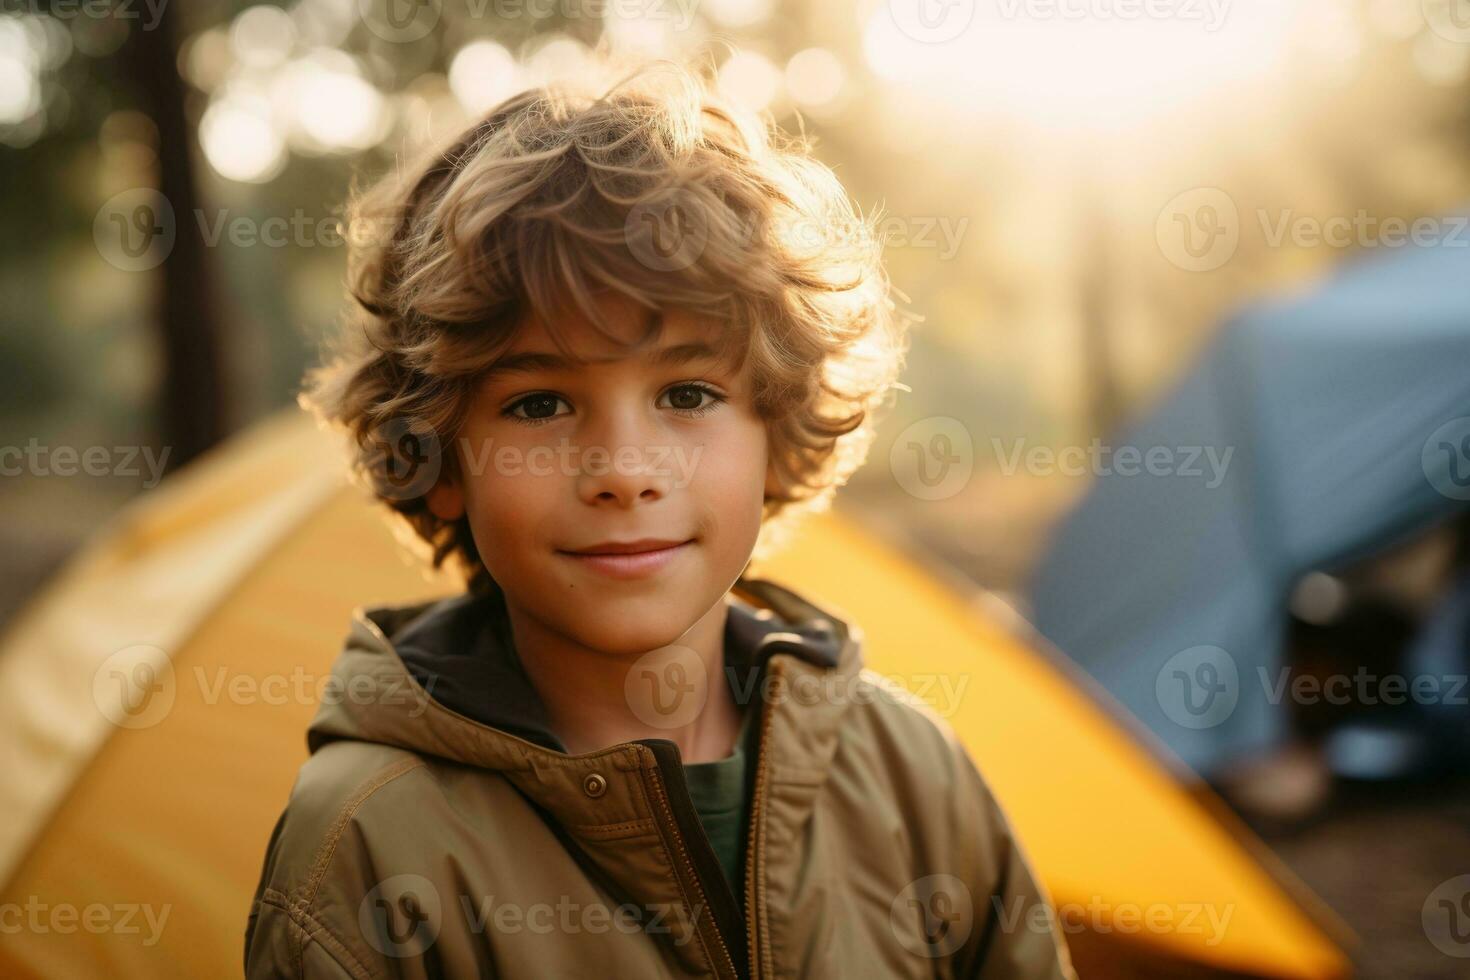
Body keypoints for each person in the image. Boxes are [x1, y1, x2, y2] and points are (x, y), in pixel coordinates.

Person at [243, 54, 1073, 980]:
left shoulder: (913, 775)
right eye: (540, 405)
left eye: (685, 392)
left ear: (778, 432)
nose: (624, 472)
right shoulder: (368, 848)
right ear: (439, 460)